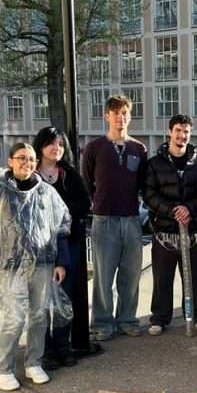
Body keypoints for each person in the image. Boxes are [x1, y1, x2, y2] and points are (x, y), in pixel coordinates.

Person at [0, 142, 72, 391]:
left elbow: (60, 229)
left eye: (31, 159)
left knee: (40, 315)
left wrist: (61, 262)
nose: (27, 163)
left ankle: (34, 362)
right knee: (14, 317)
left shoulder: (46, 192)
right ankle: (4, 368)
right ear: (10, 161)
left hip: (42, 264)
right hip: (9, 266)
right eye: (22, 158)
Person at [33, 126, 101, 369]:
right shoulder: (31, 174)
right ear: (40, 147)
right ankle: (47, 349)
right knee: (41, 299)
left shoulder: (70, 174)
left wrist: (59, 214)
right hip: (39, 247)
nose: (56, 148)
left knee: (65, 297)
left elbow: (83, 203)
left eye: (60, 144)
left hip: (68, 244)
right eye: (51, 143)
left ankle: (63, 346)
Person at [82, 95, 148, 340]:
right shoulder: (95, 148)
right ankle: (101, 324)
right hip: (104, 220)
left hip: (131, 219)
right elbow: (87, 183)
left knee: (131, 275)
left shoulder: (139, 149)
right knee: (103, 276)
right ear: (107, 116)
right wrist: (98, 204)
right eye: (116, 113)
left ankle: (128, 320)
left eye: (125, 113)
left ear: (129, 117)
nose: (121, 117)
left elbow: (142, 183)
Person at [143, 114, 197, 336]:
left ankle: (196, 315)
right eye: (178, 131)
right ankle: (160, 319)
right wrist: (172, 211)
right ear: (170, 132)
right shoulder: (154, 164)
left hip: (192, 232)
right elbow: (149, 194)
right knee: (162, 279)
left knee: (193, 277)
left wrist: (189, 209)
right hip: (164, 231)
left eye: (186, 132)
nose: (182, 135)